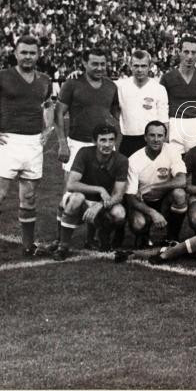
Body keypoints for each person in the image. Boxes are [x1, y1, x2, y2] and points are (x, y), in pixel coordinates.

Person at [0, 35, 53, 263]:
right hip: (7, 142)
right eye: (23, 52)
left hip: (33, 144)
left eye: (32, 53)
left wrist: (49, 127)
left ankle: (28, 246)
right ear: (15, 54)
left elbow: (48, 104)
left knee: (29, 197)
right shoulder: (1, 76)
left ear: (38, 55)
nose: (28, 56)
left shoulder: (44, 80)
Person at [55, 47, 120, 248]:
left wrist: (115, 141)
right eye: (95, 64)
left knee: (99, 192)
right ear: (84, 63)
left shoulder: (111, 86)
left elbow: (115, 114)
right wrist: (62, 143)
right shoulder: (72, 83)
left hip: (103, 145)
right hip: (77, 143)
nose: (100, 68)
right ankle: (60, 238)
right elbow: (58, 113)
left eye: (103, 64)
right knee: (69, 192)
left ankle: (91, 238)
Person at [53, 124, 128, 260]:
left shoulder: (121, 160)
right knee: (76, 198)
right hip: (82, 199)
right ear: (94, 141)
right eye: (103, 140)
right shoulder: (84, 153)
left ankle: (100, 236)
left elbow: (118, 195)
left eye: (111, 140)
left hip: (102, 202)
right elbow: (71, 185)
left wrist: (99, 205)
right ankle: (62, 246)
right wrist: (99, 189)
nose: (107, 144)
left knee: (119, 213)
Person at [125, 121, 188, 246]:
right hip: (143, 201)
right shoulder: (134, 160)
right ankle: (143, 236)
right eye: (152, 135)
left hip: (164, 199)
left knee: (179, 194)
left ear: (165, 137)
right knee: (138, 223)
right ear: (145, 137)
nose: (156, 139)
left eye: (160, 135)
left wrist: (152, 187)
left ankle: (172, 236)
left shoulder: (172, 151)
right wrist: (152, 213)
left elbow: (182, 180)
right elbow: (130, 197)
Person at [160, 35, 196, 154]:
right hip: (175, 123)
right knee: (174, 161)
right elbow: (162, 107)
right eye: (186, 52)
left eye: (193, 52)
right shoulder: (167, 78)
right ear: (179, 52)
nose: (189, 56)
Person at [117, 49, 169, 158]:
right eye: (136, 66)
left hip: (151, 141)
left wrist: (165, 146)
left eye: (143, 66)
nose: (139, 70)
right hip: (128, 140)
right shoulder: (121, 87)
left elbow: (164, 120)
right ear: (130, 66)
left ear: (150, 66)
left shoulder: (159, 89)